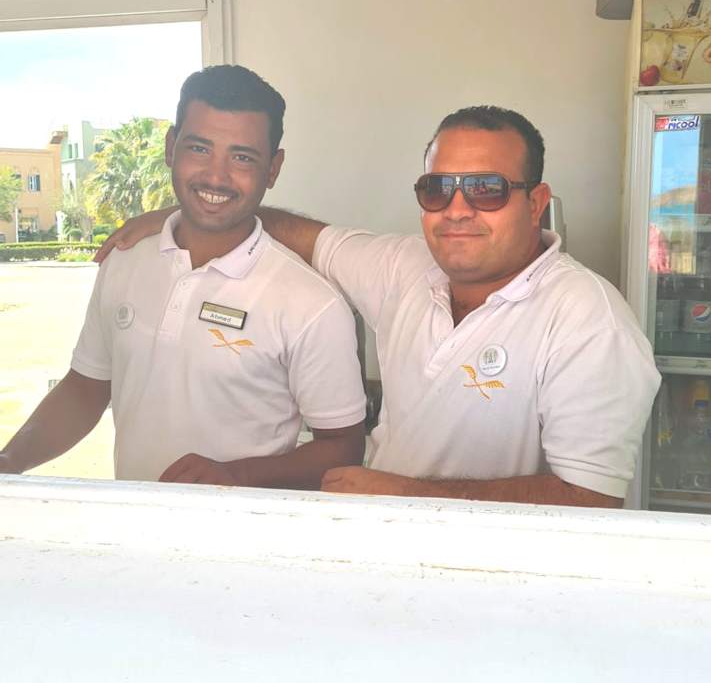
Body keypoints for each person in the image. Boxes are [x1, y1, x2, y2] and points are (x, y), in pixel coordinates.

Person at [94, 104, 660, 507]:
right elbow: (302, 234)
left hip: (499, 586)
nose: (457, 209)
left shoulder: (588, 319)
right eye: (438, 189)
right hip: (384, 549)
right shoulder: (404, 268)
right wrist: (195, 215)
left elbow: (591, 499)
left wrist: (410, 495)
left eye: (486, 189)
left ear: (535, 202)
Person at [0, 66, 365, 486]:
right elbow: (87, 387)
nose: (216, 176)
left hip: (245, 528)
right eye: (199, 148)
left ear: (273, 168)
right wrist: (9, 461)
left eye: (242, 157)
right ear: (171, 147)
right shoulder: (125, 260)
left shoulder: (312, 304)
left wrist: (234, 475)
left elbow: (343, 446)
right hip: (132, 519)